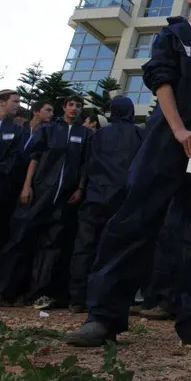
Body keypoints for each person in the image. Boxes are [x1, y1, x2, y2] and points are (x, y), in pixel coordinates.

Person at [66, 0, 191, 350]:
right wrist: (178, 129)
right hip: (167, 139)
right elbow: (161, 81)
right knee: (132, 223)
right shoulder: (172, 35)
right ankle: (103, 318)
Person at [0, 95, 89, 309]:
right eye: (71, 105)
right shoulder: (49, 130)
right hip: (40, 191)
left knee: (52, 245)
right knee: (21, 238)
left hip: (64, 197)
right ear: (64, 107)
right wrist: (27, 185)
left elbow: (84, 164)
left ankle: (39, 293)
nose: (74, 109)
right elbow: (34, 157)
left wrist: (80, 188)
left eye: (78, 106)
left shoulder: (84, 134)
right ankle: (4, 290)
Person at [68, 96, 143, 313]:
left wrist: (82, 189)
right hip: (125, 201)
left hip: (96, 196)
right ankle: (114, 298)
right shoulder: (139, 134)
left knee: (85, 247)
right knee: (120, 251)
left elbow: (87, 165)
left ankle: (78, 298)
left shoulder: (97, 135)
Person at [0, 90, 24, 252]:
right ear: (2, 102)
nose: (18, 106)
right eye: (15, 101)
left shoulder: (16, 130)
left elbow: (14, 159)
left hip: (1, 190)